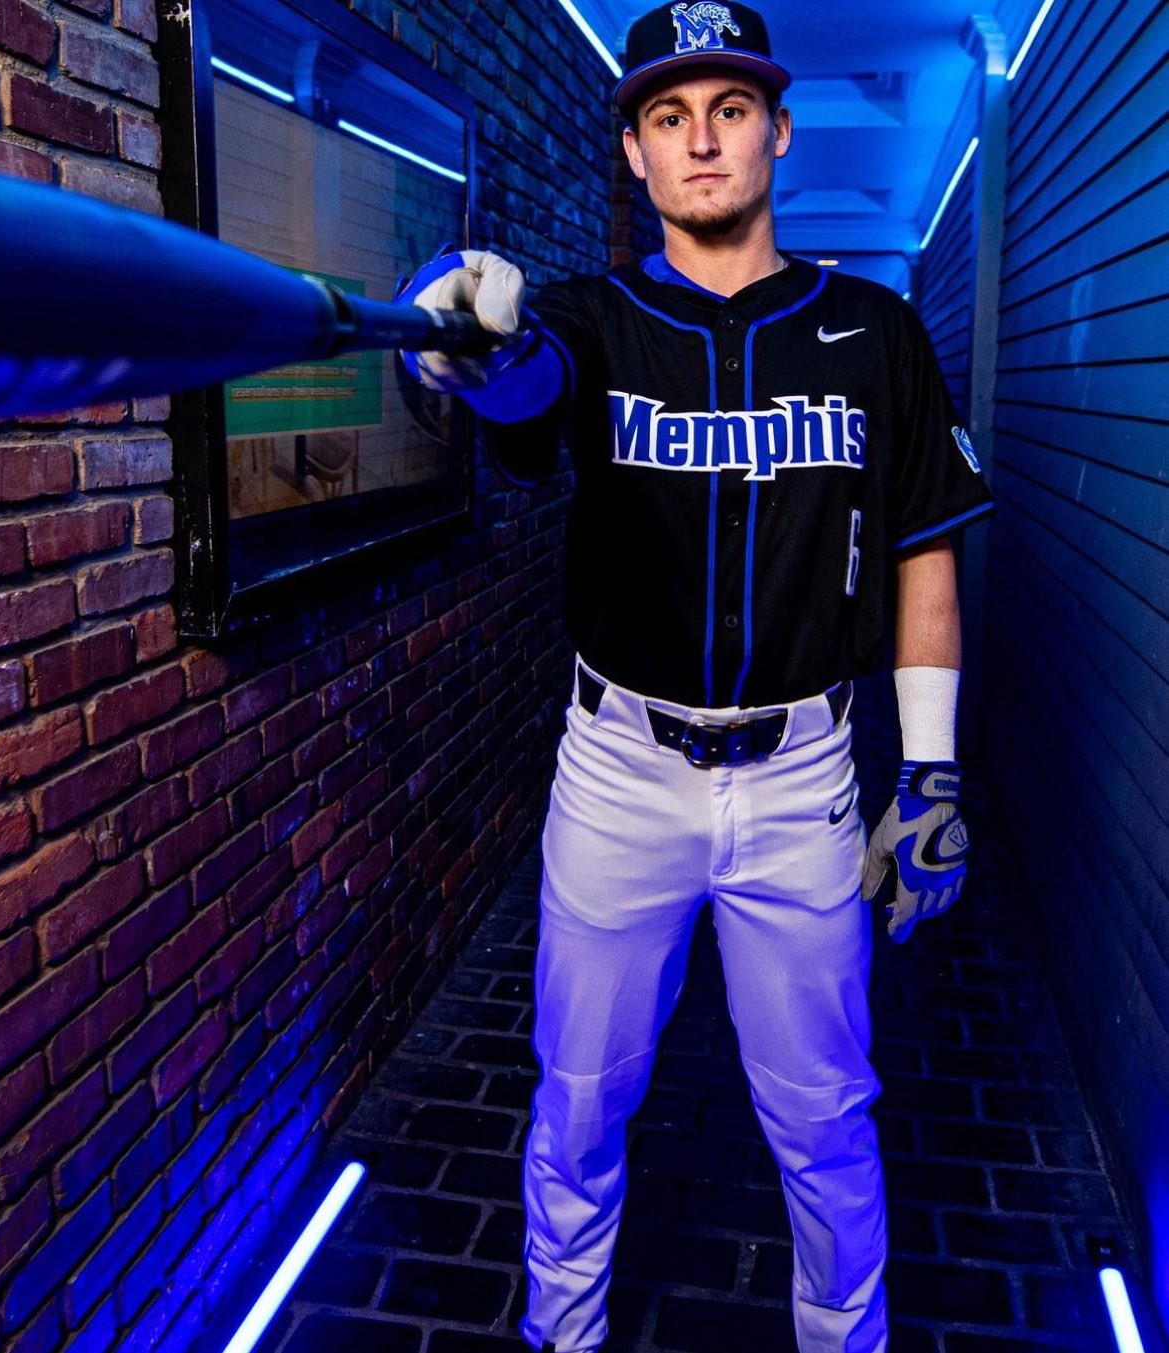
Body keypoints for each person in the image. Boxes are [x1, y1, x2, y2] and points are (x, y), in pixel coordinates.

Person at [398, 5, 992, 1349]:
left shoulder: (875, 330)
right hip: (619, 773)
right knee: (579, 1102)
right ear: (636, 151)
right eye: (669, 116)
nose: (702, 138)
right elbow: (525, 384)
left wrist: (934, 771)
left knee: (827, 1114)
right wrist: (469, 340)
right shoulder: (592, 318)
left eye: (729, 109)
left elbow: (926, 558)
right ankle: (564, 1335)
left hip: (804, 778)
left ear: (779, 131)